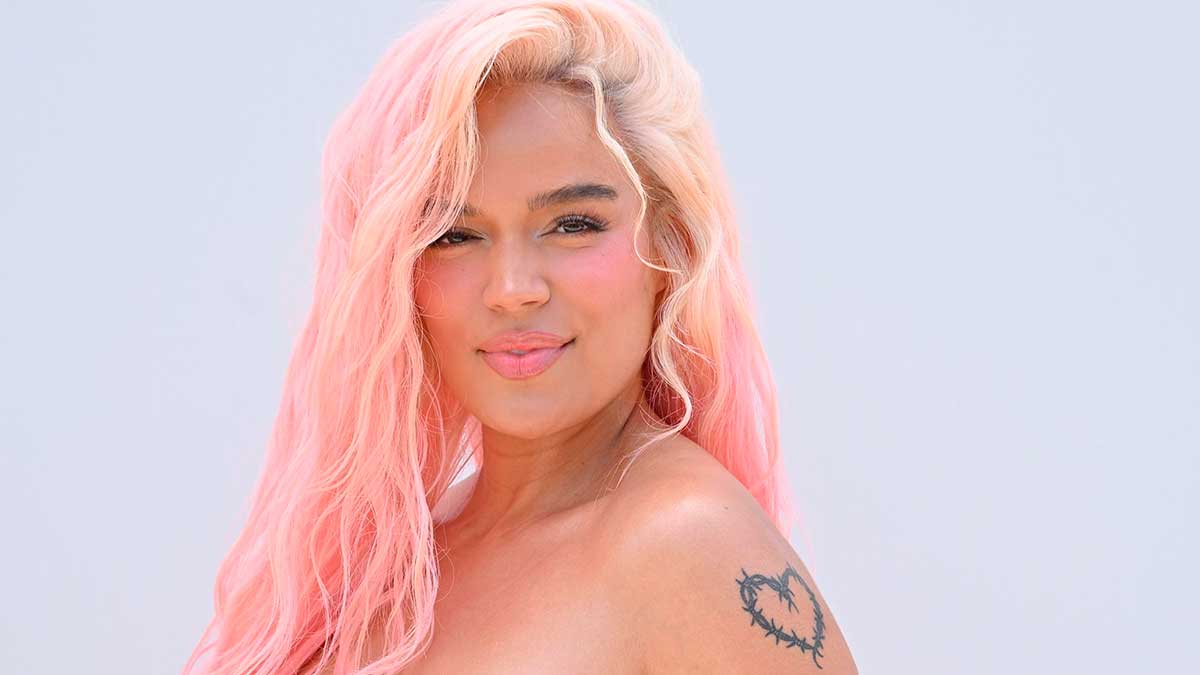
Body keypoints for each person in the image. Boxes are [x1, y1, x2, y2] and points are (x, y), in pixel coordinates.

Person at [184, 0, 858, 673]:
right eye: (454, 234)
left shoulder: (690, 546)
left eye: (573, 224)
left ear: (669, 249)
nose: (512, 288)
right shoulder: (397, 557)